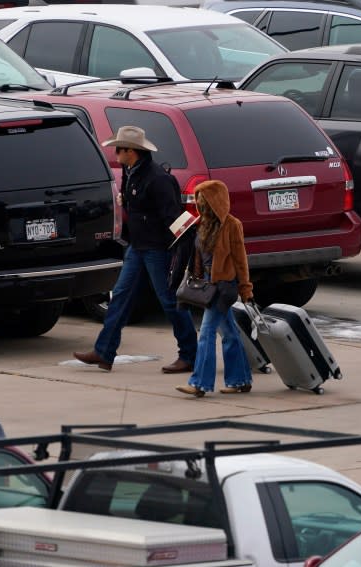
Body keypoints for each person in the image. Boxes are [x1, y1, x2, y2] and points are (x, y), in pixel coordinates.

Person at [74, 125, 197, 373]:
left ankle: (190, 355)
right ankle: (104, 352)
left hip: (158, 250)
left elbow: (174, 216)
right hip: (137, 247)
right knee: (119, 296)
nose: (115, 153)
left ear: (132, 151)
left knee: (169, 300)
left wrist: (182, 252)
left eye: (119, 149)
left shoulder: (158, 179)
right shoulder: (131, 172)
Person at [175, 180, 253, 397]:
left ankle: (200, 383)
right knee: (229, 333)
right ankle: (241, 380)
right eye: (199, 201)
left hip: (223, 287)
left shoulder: (232, 225)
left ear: (217, 202)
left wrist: (246, 290)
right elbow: (195, 256)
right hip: (206, 286)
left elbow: (240, 260)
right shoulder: (200, 224)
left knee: (207, 332)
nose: (201, 205)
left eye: (205, 201)